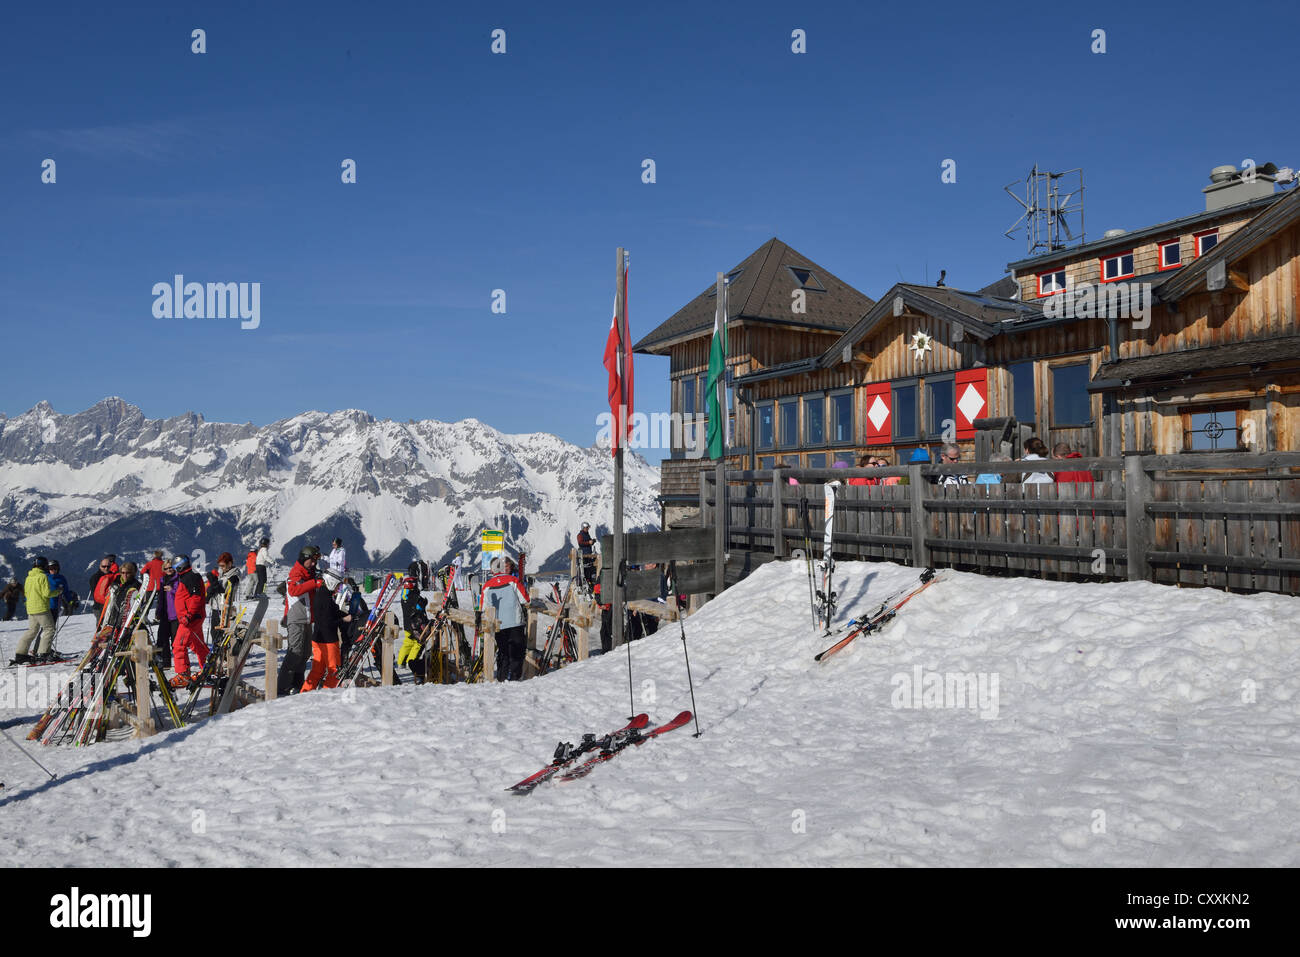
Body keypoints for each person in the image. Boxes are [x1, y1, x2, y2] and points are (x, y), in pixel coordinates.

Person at [281, 545, 323, 695]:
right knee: (295, 652)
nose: (313, 564)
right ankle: (282, 686)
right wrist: (314, 583)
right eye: (311, 561)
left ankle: (297, 683)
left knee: (305, 653)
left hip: (306, 618)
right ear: (304, 559)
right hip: (296, 617)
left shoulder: (309, 572)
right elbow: (294, 590)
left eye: (315, 561)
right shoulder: (296, 573)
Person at [481, 554, 529, 681]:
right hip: (515, 621)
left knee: (503, 651)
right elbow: (525, 599)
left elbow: (483, 607)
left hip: (498, 624)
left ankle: (502, 677)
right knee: (517, 651)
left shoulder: (486, 586)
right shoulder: (513, 580)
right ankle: (514, 677)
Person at [302, 572, 350, 692]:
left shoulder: (323, 594)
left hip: (318, 638)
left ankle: (304, 694)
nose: (338, 588)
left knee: (317, 670)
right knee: (334, 671)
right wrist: (344, 619)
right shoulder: (326, 598)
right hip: (328, 639)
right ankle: (326, 696)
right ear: (331, 582)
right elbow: (328, 621)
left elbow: (331, 613)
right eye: (338, 585)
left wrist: (343, 614)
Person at [10, 557, 58, 665]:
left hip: (31, 609)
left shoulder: (28, 578)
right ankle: (43, 654)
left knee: (32, 631)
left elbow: (26, 594)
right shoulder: (42, 577)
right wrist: (58, 592)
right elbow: (47, 594)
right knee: (49, 629)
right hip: (41, 609)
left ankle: (20, 654)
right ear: (44, 566)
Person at [170, 556, 209, 687]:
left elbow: (196, 598)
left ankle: (183, 675)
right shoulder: (189, 576)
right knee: (197, 644)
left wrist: (188, 615)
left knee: (178, 646)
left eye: (175, 567)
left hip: (190, 620)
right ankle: (208, 669)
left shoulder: (190, 577)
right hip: (193, 618)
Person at [398, 573, 430, 684]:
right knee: (418, 643)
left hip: (408, 624)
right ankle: (411, 661)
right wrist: (423, 602)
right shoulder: (412, 596)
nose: (416, 585)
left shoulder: (405, 594)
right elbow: (418, 608)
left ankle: (401, 661)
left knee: (407, 642)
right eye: (414, 583)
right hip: (414, 625)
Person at [90, 554, 119, 624]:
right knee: (101, 626)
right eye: (104, 566)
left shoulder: (113, 576)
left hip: (111, 606)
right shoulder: (95, 577)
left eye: (108, 566)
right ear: (100, 566)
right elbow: (96, 595)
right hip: (99, 607)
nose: (106, 568)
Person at [46, 560, 72, 633]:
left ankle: (47, 643)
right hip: (44, 606)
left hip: (55, 607)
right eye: (51, 568)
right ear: (48, 569)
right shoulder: (45, 577)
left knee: (51, 628)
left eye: (55, 568)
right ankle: (40, 643)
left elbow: (66, 591)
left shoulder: (61, 578)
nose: (53, 570)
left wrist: (70, 601)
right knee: (46, 628)